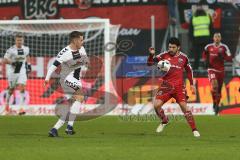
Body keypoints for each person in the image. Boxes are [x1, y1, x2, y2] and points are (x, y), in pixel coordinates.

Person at [147, 37, 200, 137]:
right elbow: (149, 63)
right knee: (156, 105)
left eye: (173, 47)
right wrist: (151, 55)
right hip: (166, 86)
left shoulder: (184, 58)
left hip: (179, 87)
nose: (170, 49)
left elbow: (189, 70)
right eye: (169, 47)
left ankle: (194, 130)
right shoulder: (163, 55)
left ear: (178, 48)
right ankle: (164, 120)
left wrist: (192, 84)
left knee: (185, 107)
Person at [44, 31, 89, 137]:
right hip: (66, 79)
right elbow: (54, 66)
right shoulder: (65, 51)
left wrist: (85, 62)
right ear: (75, 40)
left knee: (73, 103)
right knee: (80, 96)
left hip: (76, 80)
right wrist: (47, 78)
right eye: (81, 40)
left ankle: (55, 129)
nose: (83, 42)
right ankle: (69, 127)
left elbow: (85, 61)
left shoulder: (82, 49)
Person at [202, 33, 232, 115]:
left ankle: (216, 104)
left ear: (221, 38)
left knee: (218, 90)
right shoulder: (208, 47)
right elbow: (204, 55)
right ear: (213, 38)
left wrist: (223, 57)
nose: (217, 38)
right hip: (211, 69)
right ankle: (215, 103)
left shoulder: (224, 47)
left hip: (221, 71)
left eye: (219, 36)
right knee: (214, 85)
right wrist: (205, 61)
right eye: (216, 36)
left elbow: (229, 58)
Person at [3, 33, 31, 115]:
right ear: (15, 40)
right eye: (18, 40)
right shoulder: (11, 50)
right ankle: (7, 105)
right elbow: (4, 60)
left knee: (22, 87)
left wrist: (29, 65)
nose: (19, 41)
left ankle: (21, 108)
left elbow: (27, 56)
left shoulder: (26, 49)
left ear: (23, 41)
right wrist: (12, 62)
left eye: (21, 40)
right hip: (12, 72)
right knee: (11, 89)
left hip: (22, 70)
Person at [189, 5, 212, 70]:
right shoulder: (208, 16)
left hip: (197, 39)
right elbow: (211, 29)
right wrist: (211, 39)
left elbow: (190, 30)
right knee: (207, 55)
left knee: (197, 55)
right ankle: (207, 68)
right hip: (206, 39)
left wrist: (192, 40)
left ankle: (196, 69)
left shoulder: (193, 17)